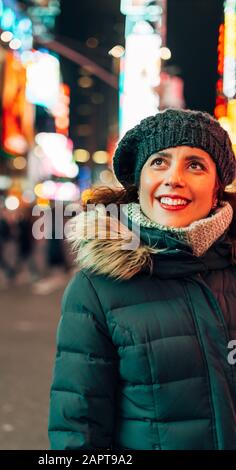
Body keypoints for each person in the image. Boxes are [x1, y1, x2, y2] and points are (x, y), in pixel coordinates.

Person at [48, 109, 236, 450]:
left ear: (216, 187)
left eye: (195, 164)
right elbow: (79, 427)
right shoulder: (97, 287)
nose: (174, 178)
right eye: (159, 162)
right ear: (140, 181)